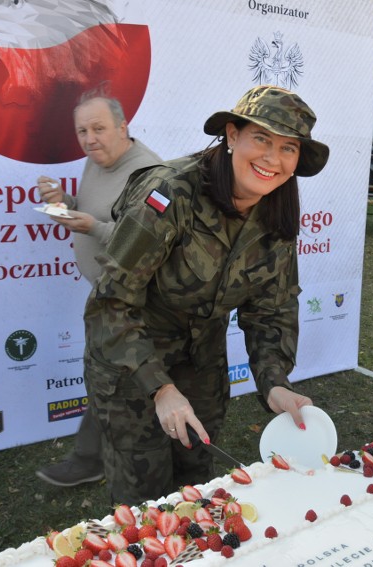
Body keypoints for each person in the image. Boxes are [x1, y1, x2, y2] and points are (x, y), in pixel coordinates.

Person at [82, 85, 329, 503]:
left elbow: (272, 309)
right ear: (232, 136)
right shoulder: (169, 192)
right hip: (131, 363)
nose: (273, 158)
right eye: (262, 139)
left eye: (288, 148)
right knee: (147, 498)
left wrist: (274, 383)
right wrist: (159, 388)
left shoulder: (276, 209)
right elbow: (110, 302)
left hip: (202, 364)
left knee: (197, 485)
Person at [35, 91, 161, 487]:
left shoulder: (150, 173)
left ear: (123, 128)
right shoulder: (97, 161)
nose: (90, 139)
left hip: (138, 298)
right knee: (108, 378)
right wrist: (63, 202)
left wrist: (91, 226)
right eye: (82, 131)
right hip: (108, 292)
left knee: (113, 378)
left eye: (99, 129)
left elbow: (151, 240)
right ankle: (96, 457)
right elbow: (102, 213)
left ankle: (92, 460)